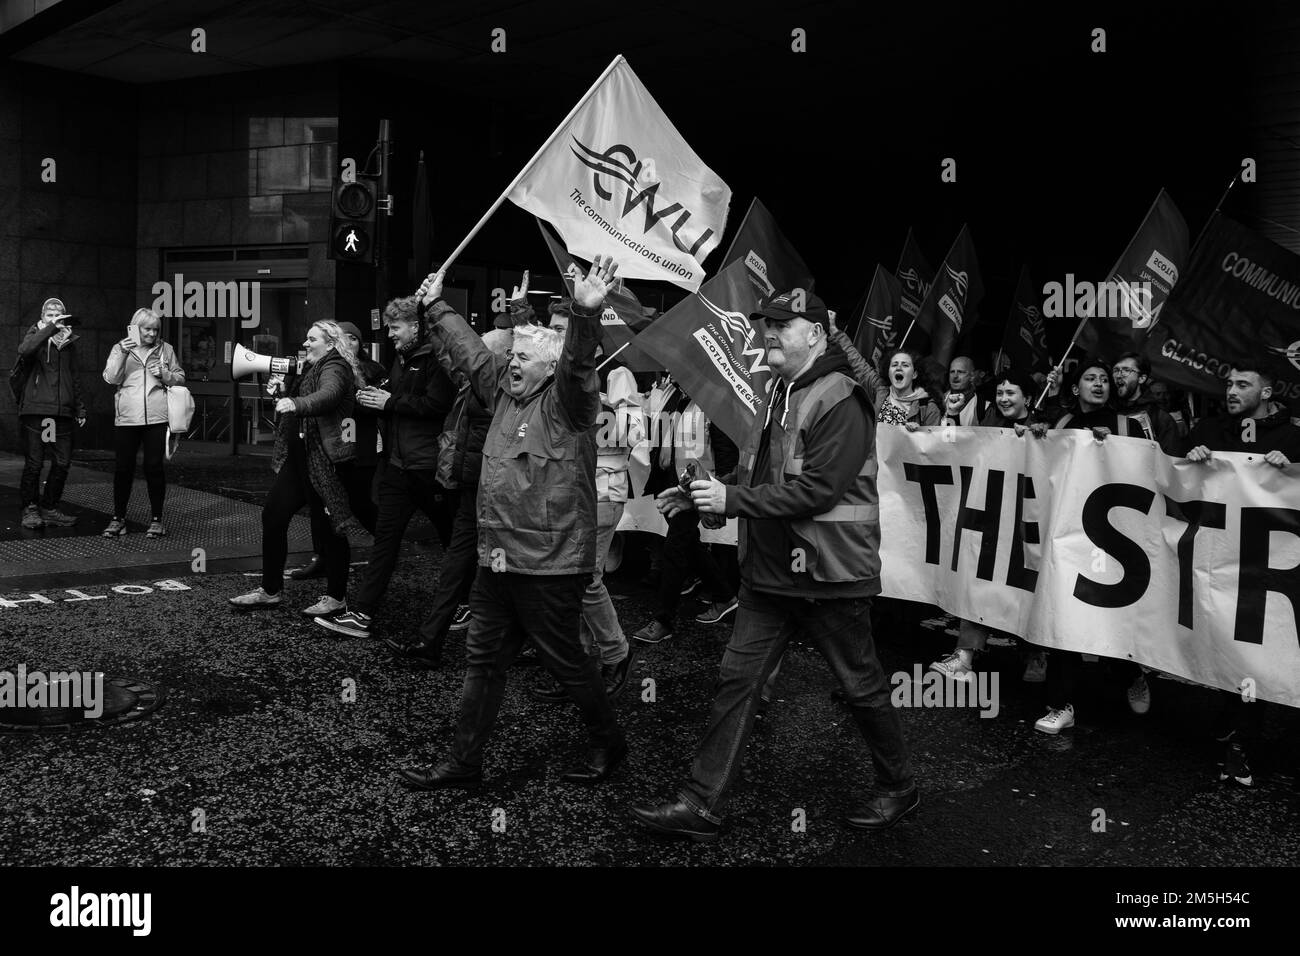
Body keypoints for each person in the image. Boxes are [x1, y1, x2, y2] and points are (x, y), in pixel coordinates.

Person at [631, 289, 916, 843]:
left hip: (830, 575)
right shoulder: (779, 391)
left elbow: (816, 491)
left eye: (782, 326)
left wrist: (732, 502)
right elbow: (767, 476)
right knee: (737, 681)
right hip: (769, 575)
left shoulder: (841, 398)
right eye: (767, 323)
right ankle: (701, 803)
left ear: (814, 334)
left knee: (861, 686)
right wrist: (707, 495)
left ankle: (900, 786)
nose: (769, 333)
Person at [397, 259, 626, 791]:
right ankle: (463, 762)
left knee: (566, 662)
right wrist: (435, 306)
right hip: (496, 562)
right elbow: (472, 353)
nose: (512, 362)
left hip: (549, 569)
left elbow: (578, 363)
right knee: (482, 663)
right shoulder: (501, 390)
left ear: (547, 368)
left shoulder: (568, 405)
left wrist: (587, 313)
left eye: (524, 356)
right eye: (513, 355)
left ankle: (609, 740)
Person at [1183, 359, 1300, 787]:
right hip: (1218, 562)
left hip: (1267, 571)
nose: (1230, 390)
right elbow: (1173, 477)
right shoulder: (1209, 432)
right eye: (1228, 384)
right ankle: (1232, 712)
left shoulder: (1293, 437)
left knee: (1256, 649)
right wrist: (1190, 460)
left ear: (1266, 393)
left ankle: (1242, 746)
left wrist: (1290, 471)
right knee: (1226, 643)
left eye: (1242, 385)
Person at [314, 296, 456, 637]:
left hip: (427, 466)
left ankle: (466, 603)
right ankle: (362, 615)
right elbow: (395, 399)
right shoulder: (404, 358)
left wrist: (390, 401)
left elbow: (437, 405)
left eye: (395, 327)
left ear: (415, 327)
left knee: (453, 537)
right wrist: (372, 400)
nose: (390, 334)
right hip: (398, 465)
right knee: (385, 542)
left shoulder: (438, 358)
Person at [388, 329, 511, 667]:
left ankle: (535, 647)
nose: (472, 354)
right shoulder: (474, 382)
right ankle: (430, 644)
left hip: (496, 494)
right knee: (455, 567)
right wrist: (431, 322)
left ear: (502, 355)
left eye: (482, 349)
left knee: (505, 573)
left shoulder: (504, 390)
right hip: (471, 489)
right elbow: (449, 356)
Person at [1034, 357, 1143, 733]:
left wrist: (1112, 449)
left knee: (1114, 619)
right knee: (1066, 617)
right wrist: (1033, 435)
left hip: (1116, 539)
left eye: (1104, 379)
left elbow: (1145, 472)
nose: (1098, 384)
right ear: (1076, 387)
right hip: (1070, 534)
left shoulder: (1128, 425)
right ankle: (1061, 704)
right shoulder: (1063, 423)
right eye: (1090, 379)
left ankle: (1132, 674)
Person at [228, 321, 366, 613]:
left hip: (323, 460)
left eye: (311, 338)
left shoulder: (336, 367)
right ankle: (270, 590)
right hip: (299, 457)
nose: (305, 343)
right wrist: (281, 390)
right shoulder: (308, 367)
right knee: (274, 516)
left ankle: (337, 597)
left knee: (329, 527)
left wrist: (296, 403)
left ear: (329, 344)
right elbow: (295, 396)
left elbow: (327, 395)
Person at [531, 352, 643, 702]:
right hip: (570, 492)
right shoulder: (564, 375)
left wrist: (599, 414)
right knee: (570, 579)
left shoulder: (616, 372)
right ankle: (576, 669)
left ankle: (616, 653)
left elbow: (636, 432)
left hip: (603, 494)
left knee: (585, 579)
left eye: (564, 328)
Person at [927, 367, 1045, 682]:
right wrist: (947, 420)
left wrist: (1036, 437)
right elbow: (958, 449)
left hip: (1026, 524)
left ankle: (1035, 656)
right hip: (991, 520)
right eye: (1000, 393)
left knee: (1026, 587)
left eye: (1011, 393)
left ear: (1028, 398)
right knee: (978, 581)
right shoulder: (989, 425)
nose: (1004, 399)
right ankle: (964, 657)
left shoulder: (1043, 427)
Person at [629, 384, 739, 644]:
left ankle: (663, 620)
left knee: (675, 549)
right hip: (672, 486)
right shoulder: (677, 397)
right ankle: (725, 596)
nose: (670, 374)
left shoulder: (713, 404)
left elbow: (726, 454)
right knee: (689, 545)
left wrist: (720, 488)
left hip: (696, 489)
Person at [291, 320, 384, 581]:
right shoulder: (323, 367)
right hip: (332, 446)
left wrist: (350, 399)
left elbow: (379, 405)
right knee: (322, 505)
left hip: (360, 445)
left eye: (354, 338)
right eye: (346, 338)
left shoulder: (373, 370)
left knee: (359, 502)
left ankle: (386, 546)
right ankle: (322, 557)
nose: (350, 343)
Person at [101, 308, 185, 539]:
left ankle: (157, 520)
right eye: (147, 329)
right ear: (136, 327)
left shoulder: (166, 349)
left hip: (157, 417)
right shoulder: (120, 348)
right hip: (127, 417)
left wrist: (165, 374)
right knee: (123, 469)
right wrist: (122, 353)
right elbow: (111, 378)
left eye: (155, 329)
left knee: (154, 468)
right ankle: (118, 519)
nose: (152, 334)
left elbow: (180, 377)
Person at [16, 298, 85, 529]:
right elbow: (24, 351)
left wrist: (80, 407)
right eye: (50, 312)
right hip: (37, 410)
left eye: (59, 313)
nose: (54, 315)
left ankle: (49, 507)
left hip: (62, 412)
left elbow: (75, 377)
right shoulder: (35, 334)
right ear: (43, 316)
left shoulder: (69, 343)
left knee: (63, 462)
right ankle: (30, 509)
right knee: (35, 463)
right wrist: (48, 329)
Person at [1112, 352, 1180, 455]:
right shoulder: (1108, 411)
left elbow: (1170, 462)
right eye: (1116, 370)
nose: (1119, 375)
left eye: (1126, 370)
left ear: (1141, 378)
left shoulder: (1160, 418)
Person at [872, 347, 941, 426]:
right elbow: (860, 367)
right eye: (894, 365)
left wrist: (918, 433)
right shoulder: (880, 391)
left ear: (914, 374)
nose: (898, 368)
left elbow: (933, 437)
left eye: (905, 365)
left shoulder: (929, 408)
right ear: (888, 373)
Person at [941, 355, 990, 426]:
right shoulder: (937, 402)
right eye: (952, 372)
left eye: (960, 372)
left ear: (972, 376)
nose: (955, 376)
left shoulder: (985, 407)